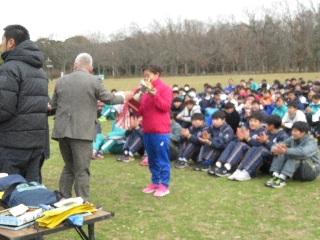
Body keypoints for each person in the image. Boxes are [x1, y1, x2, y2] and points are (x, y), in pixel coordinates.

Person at [51, 53, 133, 202]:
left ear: (74, 65)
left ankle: (63, 199)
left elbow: (54, 105)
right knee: (82, 170)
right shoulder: (94, 80)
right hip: (81, 132)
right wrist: (124, 96)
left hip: (62, 131)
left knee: (68, 167)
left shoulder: (60, 81)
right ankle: (83, 202)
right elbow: (109, 98)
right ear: (91, 68)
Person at [0, 25, 48, 182]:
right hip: (36, 146)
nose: (1, 44)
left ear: (11, 43)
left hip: (12, 148)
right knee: (31, 195)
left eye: (2, 40)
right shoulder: (40, 72)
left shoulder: (9, 69)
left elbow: (3, 108)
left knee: (8, 198)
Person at [139, 65, 172, 197]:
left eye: (148, 75)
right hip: (147, 129)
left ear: (157, 74)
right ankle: (155, 182)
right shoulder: (144, 91)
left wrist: (155, 95)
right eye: (144, 75)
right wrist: (133, 103)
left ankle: (164, 185)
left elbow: (165, 107)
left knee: (162, 159)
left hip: (160, 130)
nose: (146, 78)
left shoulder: (165, 89)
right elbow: (141, 110)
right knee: (151, 159)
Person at [228, 115, 288, 181]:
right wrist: (247, 139)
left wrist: (266, 142)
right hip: (263, 160)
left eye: (267, 124)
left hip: (273, 163)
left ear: (272, 125)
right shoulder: (265, 132)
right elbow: (257, 144)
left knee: (262, 149)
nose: (265, 125)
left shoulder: (283, 136)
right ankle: (240, 170)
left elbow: (278, 150)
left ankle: (247, 172)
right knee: (254, 148)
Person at [266, 121, 320, 188]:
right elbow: (277, 145)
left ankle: (282, 178)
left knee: (295, 154)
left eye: (295, 131)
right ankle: (275, 175)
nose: (293, 133)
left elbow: (304, 152)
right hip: (296, 173)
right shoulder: (292, 139)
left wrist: (285, 151)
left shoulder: (311, 141)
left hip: (311, 171)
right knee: (281, 151)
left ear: (303, 132)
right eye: (292, 131)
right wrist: (276, 149)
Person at [213, 112, 266, 177]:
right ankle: (219, 164)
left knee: (241, 145)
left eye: (255, 121)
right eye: (251, 121)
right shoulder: (247, 129)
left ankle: (228, 167)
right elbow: (238, 140)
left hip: (252, 153)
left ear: (260, 123)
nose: (252, 123)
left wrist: (248, 139)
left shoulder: (263, 132)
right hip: (243, 150)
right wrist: (240, 139)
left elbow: (259, 145)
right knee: (233, 143)